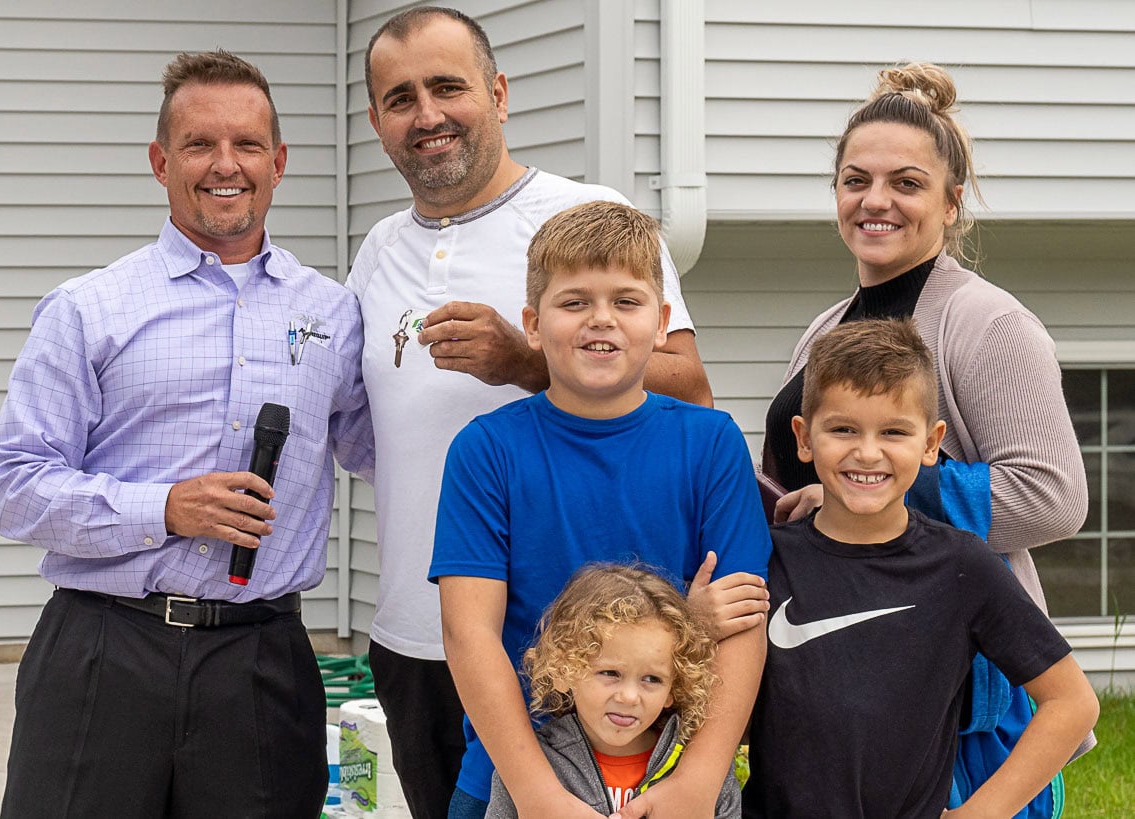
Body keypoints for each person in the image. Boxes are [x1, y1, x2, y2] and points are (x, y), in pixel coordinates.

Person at [346, 7, 741, 818]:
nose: (426, 114)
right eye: (399, 97)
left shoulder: (579, 217)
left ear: (496, 93)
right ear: (379, 122)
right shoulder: (378, 247)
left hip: (584, 658)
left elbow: (688, 383)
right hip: (419, 634)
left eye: (447, 87)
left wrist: (524, 365)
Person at [0, 50, 374, 818]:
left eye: (247, 144)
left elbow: (387, 455)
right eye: (199, 144)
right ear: (161, 162)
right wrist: (164, 508)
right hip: (103, 650)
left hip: (261, 661)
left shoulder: (333, 313)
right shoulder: (89, 309)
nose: (225, 165)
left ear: (279, 162)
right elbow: (11, 485)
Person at [431, 201, 771, 819]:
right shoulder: (486, 451)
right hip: (515, 777)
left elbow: (744, 625)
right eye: (574, 302)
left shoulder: (711, 443)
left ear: (662, 322)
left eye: (627, 301)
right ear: (533, 325)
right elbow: (469, 632)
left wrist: (698, 781)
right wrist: (537, 796)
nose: (601, 320)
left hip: (674, 778)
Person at [762, 61, 1086, 613]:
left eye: (907, 183)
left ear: (952, 203)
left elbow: (1052, 498)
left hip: (943, 644)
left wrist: (862, 500)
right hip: (819, 626)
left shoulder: (989, 324)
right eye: (856, 180)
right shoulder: (824, 330)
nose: (875, 200)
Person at [744, 318, 1098, 818]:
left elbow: (1072, 703)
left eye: (894, 431)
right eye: (843, 429)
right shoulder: (765, 558)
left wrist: (980, 813)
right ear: (804, 438)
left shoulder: (962, 566)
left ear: (931, 443)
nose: (868, 452)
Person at [486, 563, 738, 819]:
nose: (629, 697)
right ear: (563, 671)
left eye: (652, 679)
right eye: (610, 673)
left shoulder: (701, 773)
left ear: (674, 688)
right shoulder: (530, 769)